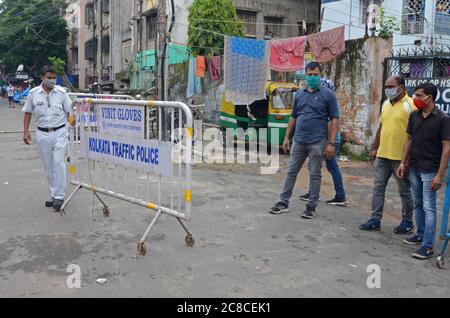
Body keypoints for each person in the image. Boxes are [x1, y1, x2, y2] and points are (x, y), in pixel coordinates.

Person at [269, 62, 339, 219]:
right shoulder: (299, 94)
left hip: (318, 141)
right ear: (305, 75)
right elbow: (293, 117)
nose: (312, 77)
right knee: (291, 172)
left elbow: (334, 119)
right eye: (310, 74)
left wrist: (331, 143)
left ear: (320, 75)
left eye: (315, 74)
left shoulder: (328, 95)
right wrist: (286, 137)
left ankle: (311, 206)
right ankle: (283, 202)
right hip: (299, 141)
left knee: (315, 174)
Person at [397, 83, 450, 259]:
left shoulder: (443, 119)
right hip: (414, 166)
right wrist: (403, 163)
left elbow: (446, 148)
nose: (415, 98)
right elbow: (409, 141)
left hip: (430, 169)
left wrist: (440, 175)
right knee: (418, 203)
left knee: (429, 207)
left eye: (419, 95)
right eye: (415, 95)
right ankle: (419, 234)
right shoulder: (414, 116)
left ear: (430, 97)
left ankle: (428, 246)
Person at [359, 76, 416, 234]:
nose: (388, 89)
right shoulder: (385, 104)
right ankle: (375, 219)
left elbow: (415, 135)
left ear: (402, 87)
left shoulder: (410, 105)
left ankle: (407, 221)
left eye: (391, 86)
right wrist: (374, 148)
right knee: (378, 188)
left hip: (400, 158)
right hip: (383, 155)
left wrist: (408, 158)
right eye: (386, 86)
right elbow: (381, 127)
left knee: (404, 191)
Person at [22, 65, 74, 212]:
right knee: (48, 165)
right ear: (42, 78)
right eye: (49, 77)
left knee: (59, 163)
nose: (52, 80)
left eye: (54, 77)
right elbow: (27, 113)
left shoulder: (62, 93)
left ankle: (59, 196)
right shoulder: (34, 94)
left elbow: (70, 111)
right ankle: (54, 193)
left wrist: (73, 121)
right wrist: (26, 132)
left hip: (60, 132)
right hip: (42, 133)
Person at [299, 78, 348, 206]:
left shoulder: (328, 101)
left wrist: (328, 143)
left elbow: (330, 123)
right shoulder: (329, 101)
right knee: (316, 166)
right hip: (327, 140)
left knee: (329, 167)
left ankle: (340, 196)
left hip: (328, 141)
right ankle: (313, 192)